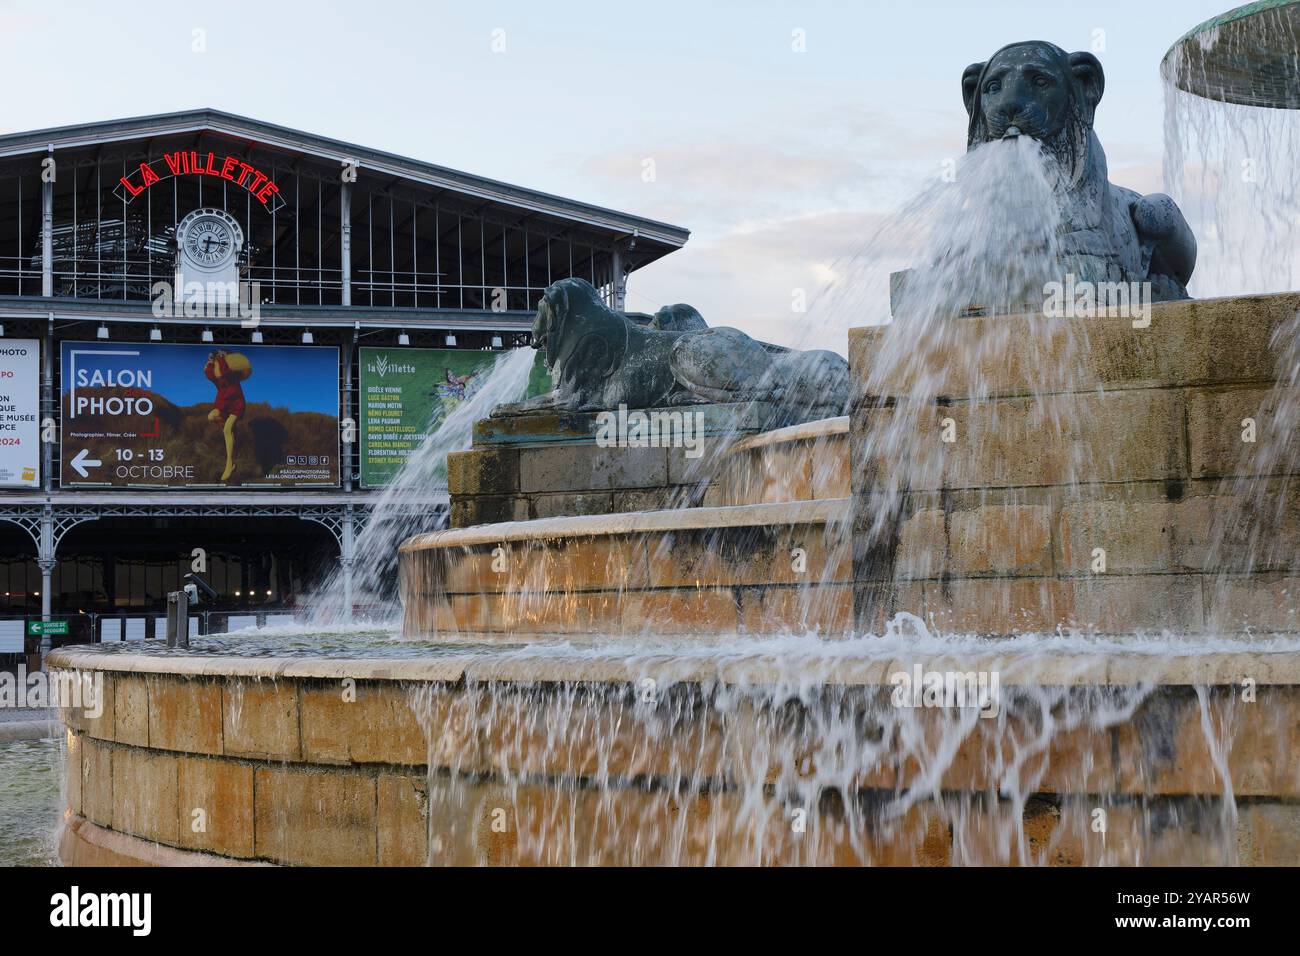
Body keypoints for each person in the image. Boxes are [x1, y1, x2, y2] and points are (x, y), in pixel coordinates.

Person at [204, 350, 247, 482]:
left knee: (227, 430)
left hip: (236, 404)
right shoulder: (219, 377)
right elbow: (210, 374)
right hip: (224, 404)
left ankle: (230, 464)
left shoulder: (230, 373)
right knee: (211, 417)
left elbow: (222, 371)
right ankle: (231, 430)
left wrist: (221, 358)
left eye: (219, 359)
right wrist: (211, 361)